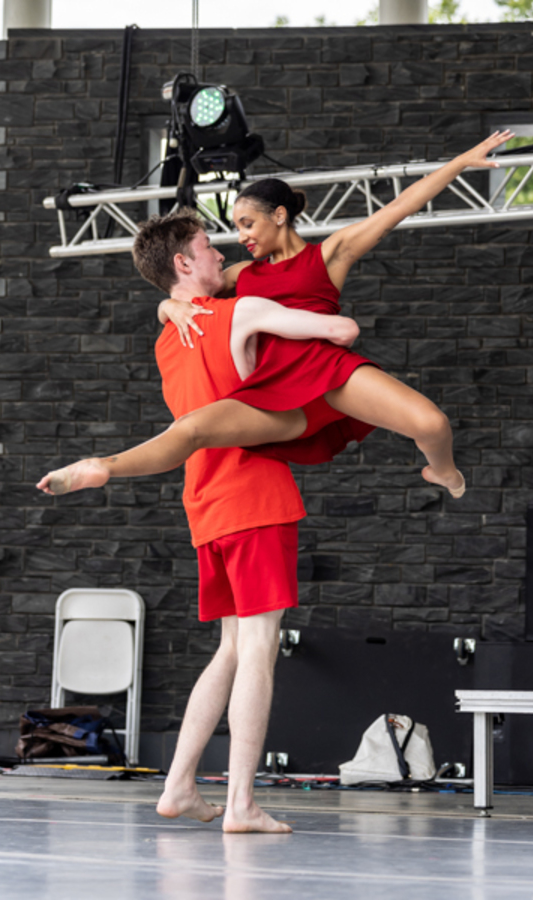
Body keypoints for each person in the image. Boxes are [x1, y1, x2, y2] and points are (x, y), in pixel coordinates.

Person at [37, 213, 361, 835]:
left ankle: (180, 785)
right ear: (184, 263)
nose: (221, 259)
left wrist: (173, 309)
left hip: (205, 502)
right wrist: (296, 318)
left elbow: (178, 318)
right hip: (256, 496)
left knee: (233, 648)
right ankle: (240, 803)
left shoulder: (167, 337)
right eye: (209, 250)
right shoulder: (240, 311)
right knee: (261, 650)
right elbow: (339, 329)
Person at [159, 130, 513, 493]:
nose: (240, 238)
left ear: (279, 215)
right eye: (238, 228)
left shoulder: (329, 254)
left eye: (247, 224)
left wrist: (458, 163)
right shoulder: (241, 275)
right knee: (194, 433)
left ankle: (444, 472)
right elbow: (187, 291)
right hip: (272, 384)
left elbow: (398, 208)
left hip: (327, 369)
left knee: (433, 424)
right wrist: (166, 306)